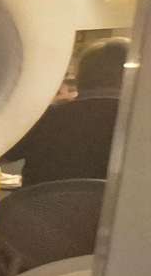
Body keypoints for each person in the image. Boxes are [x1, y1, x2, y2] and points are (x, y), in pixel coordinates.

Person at [7, 39, 126, 187]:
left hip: (43, 202)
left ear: (80, 76)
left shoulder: (44, 118)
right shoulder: (138, 123)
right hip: (118, 203)